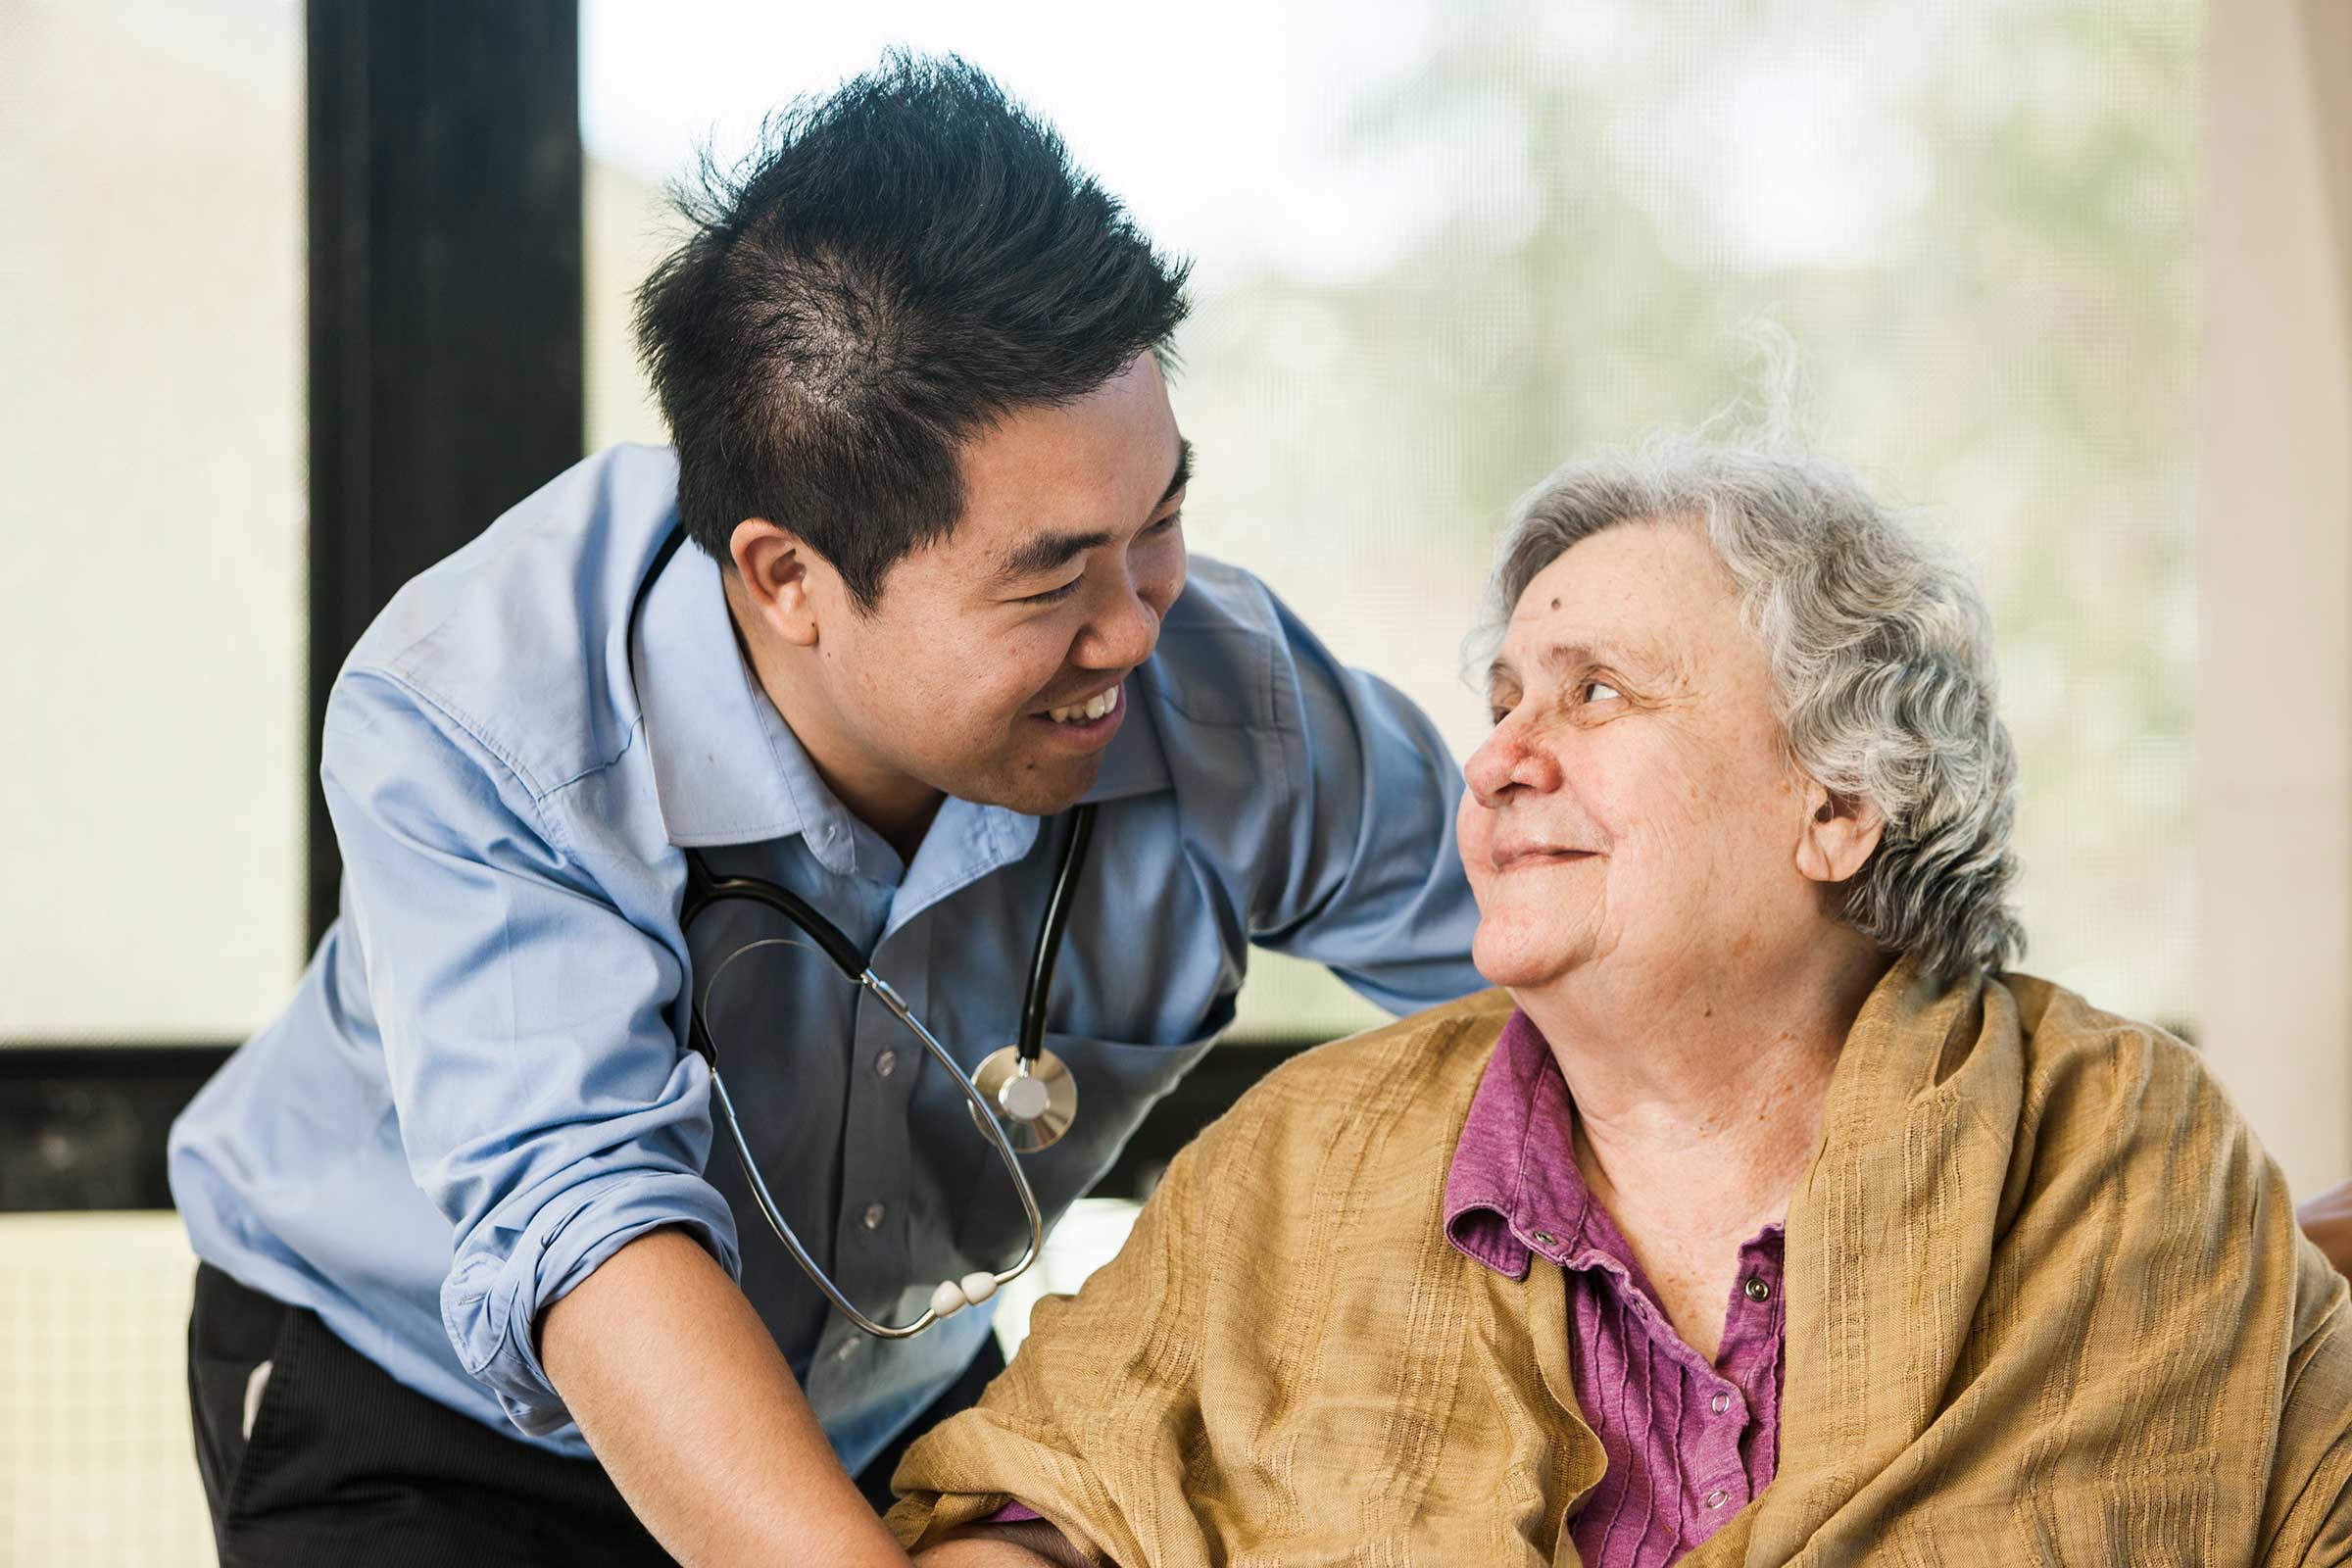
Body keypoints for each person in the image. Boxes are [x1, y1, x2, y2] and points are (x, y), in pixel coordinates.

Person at [167, 55, 1482, 1568]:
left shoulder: (1230, 698)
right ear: (786, 577)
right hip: (429, 1408)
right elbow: (588, 1229)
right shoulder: (484, 711)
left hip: (897, 1398)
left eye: (1164, 519)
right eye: (1050, 580)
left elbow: (1572, 991)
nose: (1134, 628)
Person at [887, 441, 2352, 1566]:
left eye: (1593, 697)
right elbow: (1044, 1490)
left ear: (1837, 805)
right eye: (1505, 697)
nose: (1500, 758)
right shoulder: (1298, 1161)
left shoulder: (2116, 1143)